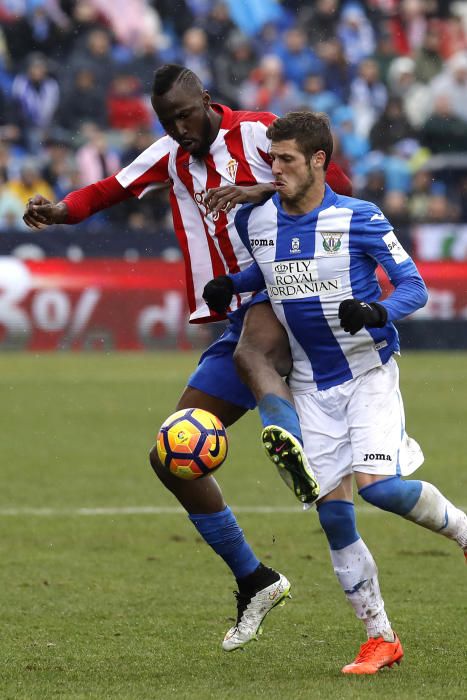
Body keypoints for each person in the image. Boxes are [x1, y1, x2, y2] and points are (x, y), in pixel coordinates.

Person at [23, 64, 352, 652]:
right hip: (238, 313)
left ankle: (287, 438)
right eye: (167, 122)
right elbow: (110, 190)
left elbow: (339, 190)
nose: (180, 130)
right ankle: (256, 579)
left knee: (264, 355)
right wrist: (60, 212)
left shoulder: (259, 134)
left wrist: (267, 188)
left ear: (206, 100)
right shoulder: (169, 156)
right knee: (171, 454)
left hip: (293, 295)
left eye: (186, 116)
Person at [202, 111, 467, 673]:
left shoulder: (360, 218)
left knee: (382, 490)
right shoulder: (259, 221)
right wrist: (233, 284)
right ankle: (380, 637)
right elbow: (270, 273)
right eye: (272, 158)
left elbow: (414, 288)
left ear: (320, 160)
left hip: (368, 374)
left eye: (288, 160)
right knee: (334, 517)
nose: (276, 169)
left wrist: (376, 310)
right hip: (311, 387)